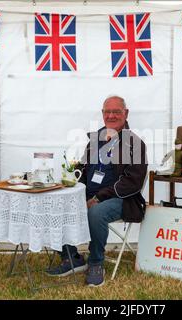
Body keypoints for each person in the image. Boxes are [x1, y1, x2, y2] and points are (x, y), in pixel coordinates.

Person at [47, 95, 148, 287]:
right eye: (107, 111)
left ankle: (95, 263)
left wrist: (98, 197)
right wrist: (74, 186)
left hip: (121, 199)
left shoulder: (134, 143)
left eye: (116, 111)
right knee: (57, 203)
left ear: (126, 114)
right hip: (89, 194)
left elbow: (133, 182)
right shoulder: (95, 140)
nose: (111, 115)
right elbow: (84, 171)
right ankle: (71, 257)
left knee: (96, 212)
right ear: (102, 114)